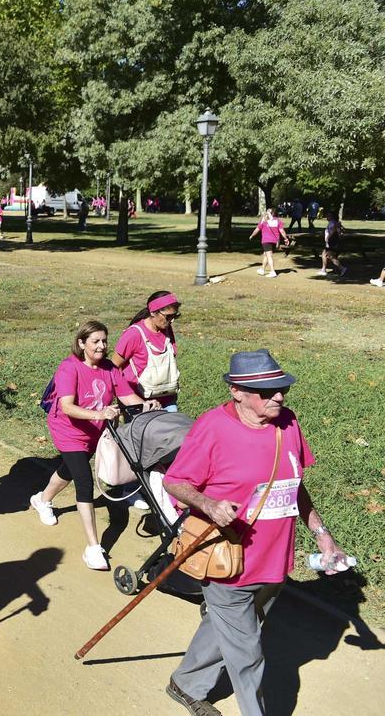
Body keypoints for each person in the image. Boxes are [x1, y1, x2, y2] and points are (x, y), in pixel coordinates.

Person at [163, 350, 347, 716]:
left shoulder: (287, 424)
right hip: (228, 562)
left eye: (281, 388)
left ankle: (185, 683)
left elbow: (295, 486)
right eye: (267, 391)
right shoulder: (213, 428)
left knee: (227, 628)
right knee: (247, 652)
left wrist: (322, 534)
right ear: (237, 392)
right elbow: (175, 481)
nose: (278, 396)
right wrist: (208, 504)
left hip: (274, 561)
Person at [29, 321, 152, 570]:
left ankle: (42, 500)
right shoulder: (69, 367)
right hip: (68, 431)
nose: (102, 346)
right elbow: (66, 406)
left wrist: (145, 405)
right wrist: (100, 415)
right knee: (83, 481)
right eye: (95, 341)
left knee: (69, 469)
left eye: (104, 341)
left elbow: (126, 395)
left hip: (95, 431)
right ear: (81, 343)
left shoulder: (109, 368)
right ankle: (93, 547)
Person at [112, 291, 182, 411]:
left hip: (166, 396)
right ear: (153, 312)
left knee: (172, 427)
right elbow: (114, 366)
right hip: (139, 402)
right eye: (168, 316)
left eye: (175, 316)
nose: (172, 321)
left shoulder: (167, 329)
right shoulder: (134, 334)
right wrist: (127, 396)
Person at [249, 208, 289, 278]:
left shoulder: (264, 220)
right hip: (274, 241)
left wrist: (252, 235)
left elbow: (257, 229)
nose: (266, 213)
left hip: (266, 240)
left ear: (272, 213)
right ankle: (262, 269)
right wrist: (285, 239)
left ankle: (272, 271)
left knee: (269, 256)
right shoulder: (277, 221)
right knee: (266, 254)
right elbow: (282, 231)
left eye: (268, 212)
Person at [316, 210, 347, 277]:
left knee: (330, 256)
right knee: (324, 253)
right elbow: (342, 230)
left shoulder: (333, 223)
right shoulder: (333, 222)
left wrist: (328, 238)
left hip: (332, 241)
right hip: (330, 241)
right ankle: (323, 269)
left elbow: (334, 231)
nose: (327, 217)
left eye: (329, 216)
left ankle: (342, 268)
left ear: (332, 217)